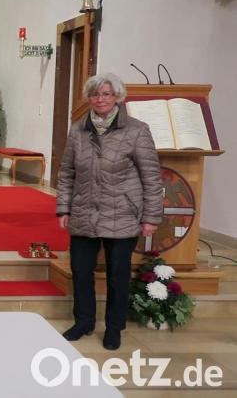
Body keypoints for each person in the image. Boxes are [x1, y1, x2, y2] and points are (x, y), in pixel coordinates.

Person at [57, 73, 163, 351]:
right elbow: (66, 173)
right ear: (88, 98)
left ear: (117, 97)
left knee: (118, 274)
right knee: (81, 271)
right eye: (95, 94)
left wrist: (151, 217)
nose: (100, 99)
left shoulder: (137, 130)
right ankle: (83, 321)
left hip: (123, 212)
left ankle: (114, 327)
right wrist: (63, 207)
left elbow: (151, 177)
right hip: (84, 210)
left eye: (106, 94)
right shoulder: (77, 130)